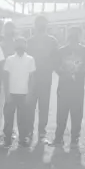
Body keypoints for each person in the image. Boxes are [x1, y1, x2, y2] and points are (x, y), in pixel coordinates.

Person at [50, 26, 85, 148]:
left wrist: (77, 73)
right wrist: (65, 73)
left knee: (77, 114)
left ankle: (75, 138)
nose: (74, 37)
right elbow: (56, 66)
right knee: (61, 113)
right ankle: (59, 137)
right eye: (72, 35)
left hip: (77, 87)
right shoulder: (61, 51)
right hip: (64, 87)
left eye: (76, 35)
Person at [27, 15, 58, 144]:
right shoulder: (29, 41)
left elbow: (56, 59)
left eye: (43, 23)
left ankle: (42, 132)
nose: (41, 26)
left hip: (46, 77)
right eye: (39, 23)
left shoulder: (52, 41)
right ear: (35, 25)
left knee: (44, 105)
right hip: (31, 77)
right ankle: (29, 131)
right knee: (30, 105)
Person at [3, 37, 36, 148]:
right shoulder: (9, 59)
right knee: (8, 118)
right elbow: (6, 77)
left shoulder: (30, 59)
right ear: (15, 46)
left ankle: (22, 139)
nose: (20, 46)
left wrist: (30, 93)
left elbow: (31, 78)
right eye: (18, 44)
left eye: (22, 44)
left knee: (23, 118)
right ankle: (7, 139)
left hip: (24, 93)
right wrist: (7, 93)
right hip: (11, 93)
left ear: (26, 45)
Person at [0, 21, 16, 140]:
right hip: (2, 78)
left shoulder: (18, 44)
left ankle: (11, 129)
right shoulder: (0, 45)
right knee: (0, 104)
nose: (9, 32)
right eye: (7, 29)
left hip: (16, 79)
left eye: (11, 29)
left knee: (13, 105)